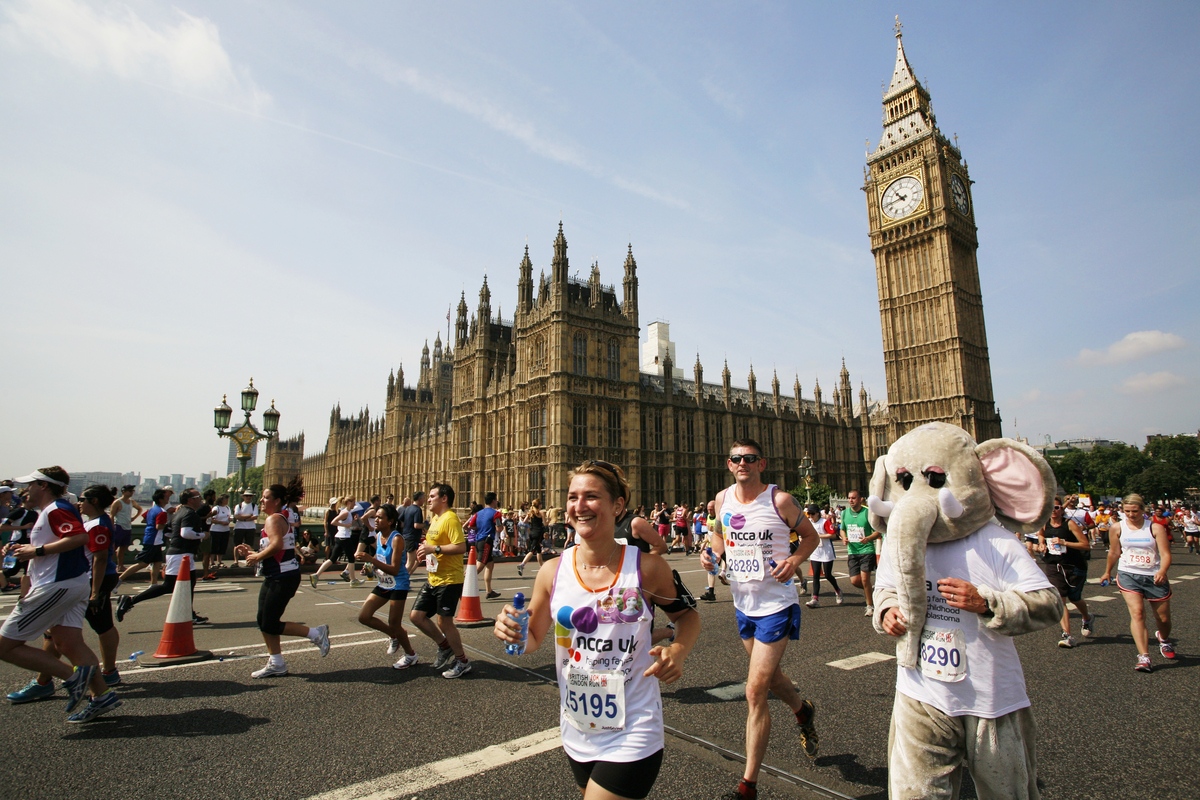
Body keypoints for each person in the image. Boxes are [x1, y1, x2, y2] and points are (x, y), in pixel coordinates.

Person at [494, 460, 699, 800]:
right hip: (577, 727)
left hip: (634, 728)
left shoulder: (647, 568)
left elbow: (687, 617)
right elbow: (531, 639)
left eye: (591, 496)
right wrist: (511, 630)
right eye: (573, 496)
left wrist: (678, 650)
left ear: (617, 505)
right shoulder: (551, 571)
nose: (579, 506)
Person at [875, 504, 1062, 799]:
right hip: (919, 693)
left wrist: (986, 603)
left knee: (1006, 792)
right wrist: (887, 610)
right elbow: (885, 588)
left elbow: (1049, 604)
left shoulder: (995, 540)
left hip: (990, 698)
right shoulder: (900, 538)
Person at [701, 440, 820, 800]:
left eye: (749, 459)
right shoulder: (723, 500)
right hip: (743, 603)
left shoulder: (780, 500)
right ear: (729, 464)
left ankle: (747, 786)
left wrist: (795, 561)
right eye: (737, 459)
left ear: (761, 464)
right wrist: (711, 555)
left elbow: (811, 537)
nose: (743, 464)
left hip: (777, 605)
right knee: (770, 680)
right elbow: (719, 536)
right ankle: (803, 710)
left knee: (754, 691)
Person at [0, 467, 118, 721]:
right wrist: (26, 548)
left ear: (43, 485)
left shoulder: (57, 509)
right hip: (71, 583)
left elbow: (77, 538)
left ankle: (72, 678)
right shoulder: (50, 511)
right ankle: (102, 695)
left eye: (30, 485)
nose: (24, 491)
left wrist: (36, 551)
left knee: (5, 646)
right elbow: (61, 543)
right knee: (68, 643)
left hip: (56, 585)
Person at [244, 480, 330, 678]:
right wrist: (252, 552)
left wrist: (257, 556)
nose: (262, 501)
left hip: (283, 577)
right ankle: (277, 663)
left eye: (266, 497)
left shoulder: (274, 519)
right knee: (263, 620)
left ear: (278, 500)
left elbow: (275, 545)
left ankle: (316, 634)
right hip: (278, 574)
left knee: (270, 623)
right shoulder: (282, 518)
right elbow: (279, 548)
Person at [1100, 494, 1175, 672]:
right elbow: (1114, 552)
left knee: (1163, 619)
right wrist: (1107, 572)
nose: (1131, 515)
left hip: (1153, 576)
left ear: (1142, 510)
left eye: (1135, 511)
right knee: (1137, 613)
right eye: (1127, 511)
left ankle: (1163, 639)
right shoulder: (1117, 528)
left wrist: (1162, 571)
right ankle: (1144, 656)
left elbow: (1165, 554)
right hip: (1128, 574)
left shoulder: (1155, 528)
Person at [116, 488, 209, 625]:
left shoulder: (178, 513)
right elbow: (185, 533)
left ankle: (189, 614)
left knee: (188, 584)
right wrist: (203, 535)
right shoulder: (190, 514)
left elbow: (168, 532)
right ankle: (130, 600)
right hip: (182, 555)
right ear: (191, 500)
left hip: (177, 553)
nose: (200, 500)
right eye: (198, 497)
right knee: (169, 586)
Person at [410, 484, 470, 678]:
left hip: (449, 579)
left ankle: (462, 661)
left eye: (432, 496)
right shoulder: (435, 519)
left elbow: (461, 547)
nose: (428, 499)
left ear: (444, 498)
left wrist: (434, 550)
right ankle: (445, 646)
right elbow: (433, 544)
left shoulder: (451, 519)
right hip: (434, 577)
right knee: (416, 617)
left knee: (444, 622)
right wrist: (425, 548)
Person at [356, 504, 418, 668]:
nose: (375, 520)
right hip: (384, 582)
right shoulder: (378, 536)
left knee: (394, 623)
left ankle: (410, 655)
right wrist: (370, 566)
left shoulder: (397, 539)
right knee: (364, 616)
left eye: (380, 517)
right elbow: (380, 557)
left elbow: (395, 569)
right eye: (375, 516)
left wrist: (371, 560)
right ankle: (393, 635)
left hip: (398, 584)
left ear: (390, 521)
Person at [1035, 497, 1095, 647]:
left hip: (1074, 565)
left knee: (1075, 598)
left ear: (1062, 509)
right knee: (1060, 599)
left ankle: (1087, 617)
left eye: (1056, 508)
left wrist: (1064, 542)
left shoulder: (1070, 524)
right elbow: (1041, 534)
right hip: (1053, 565)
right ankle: (1067, 635)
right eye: (1051, 508)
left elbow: (1085, 545)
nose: (1054, 511)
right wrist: (1041, 544)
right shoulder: (1044, 524)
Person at [120, 488, 170, 586]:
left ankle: (153, 584)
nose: (168, 498)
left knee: (157, 563)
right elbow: (159, 526)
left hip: (152, 538)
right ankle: (119, 579)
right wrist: (168, 525)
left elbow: (144, 520)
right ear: (161, 499)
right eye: (166, 497)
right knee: (143, 564)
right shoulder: (162, 512)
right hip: (154, 540)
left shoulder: (151, 509)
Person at [842, 490, 880, 616]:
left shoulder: (868, 513)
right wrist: (843, 538)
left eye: (853, 498)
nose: (851, 500)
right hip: (852, 551)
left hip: (867, 550)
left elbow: (877, 532)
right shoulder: (844, 513)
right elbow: (842, 529)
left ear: (860, 499)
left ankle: (869, 606)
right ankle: (872, 591)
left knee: (865, 579)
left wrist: (868, 538)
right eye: (849, 498)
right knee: (855, 581)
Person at [311, 496, 361, 586]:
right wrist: (345, 525)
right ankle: (353, 580)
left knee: (332, 559)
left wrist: (353, 522)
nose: (355, 504)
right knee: (351, 558)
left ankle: (316, 575)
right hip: (344, 537)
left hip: (340, 537)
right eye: (354, 502)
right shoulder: (345, 512)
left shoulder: (347, 512)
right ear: (349, 502)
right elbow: (333, 522)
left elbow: (346, 524)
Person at [805, 505, 842, 608]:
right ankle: (815, 598)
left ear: (817, 513)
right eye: (809, 514)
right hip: (815, 551)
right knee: (816, 574)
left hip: (826, 550)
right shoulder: (809, 522)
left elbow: (833, 534)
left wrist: (819, 536)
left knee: (827, 575)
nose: (811, 516)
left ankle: (838, 590)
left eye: (812, 514)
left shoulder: (824, 522)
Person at [473, 492, 502, 600]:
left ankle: (489, 591)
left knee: (490, 565)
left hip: (479, 540)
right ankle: (462, 584)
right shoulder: (496, 514)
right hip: (487, 541)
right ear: (494, 500)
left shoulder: (478, 513)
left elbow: (470, 526)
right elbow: (499, 528)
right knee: (479, 566)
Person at [109, 485, 142, 572]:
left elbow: (139, 509)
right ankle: (110, 565)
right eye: (129, 491)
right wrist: (112, 527)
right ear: (124, 491)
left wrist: (134, 518)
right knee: (114, 548)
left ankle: (120, 565)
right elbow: (111, 515)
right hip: (119, 526)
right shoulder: (117, 502)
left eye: (132, 491)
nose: (131, 493)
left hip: (128, 527)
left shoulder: (131, 502)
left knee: (123, 548)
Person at [517, 498, 546, 578]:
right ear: (539, 505)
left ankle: (541, 567)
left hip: (532, 532)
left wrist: (531, 522)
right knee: (532, 550)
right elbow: (545, 523)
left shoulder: (530, 513)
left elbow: (524, 521)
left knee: (538, 550)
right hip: (538, 533)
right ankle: (522, 565)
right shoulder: (541, 513)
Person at [399, 491, 426, 574]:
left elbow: (401, 522)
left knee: (419, 559)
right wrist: (425, 525)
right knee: (409, 563)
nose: (424, 500)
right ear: (420, 499)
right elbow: (417, 525)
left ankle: (408, 576)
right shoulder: (417, 510)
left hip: (406, 537)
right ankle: (401, 579)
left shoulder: (407, 508)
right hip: (412, 538)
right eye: (424, 498)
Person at [207, 494, 232, 572]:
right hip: (216, 530)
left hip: (225, 530)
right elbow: (211, 519)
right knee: (214, 546)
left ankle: (220, 561)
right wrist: (221, 522)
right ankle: (212, 562)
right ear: (221, 500)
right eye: (226, 499)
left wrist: (229, 519)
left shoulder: (227, 508)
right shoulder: (216, 508)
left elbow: (229, 516)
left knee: (222, 546)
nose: (227, 501)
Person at [232, 490, 259, 560]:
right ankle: (236, 561)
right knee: (237, 545)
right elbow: (237, 516)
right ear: (243, 497)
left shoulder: (254, 506)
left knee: (249, 545)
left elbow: (255, 516)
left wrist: (243, 518)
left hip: (250, 528)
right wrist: (249, 516)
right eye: (247, 496)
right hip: (239, 527)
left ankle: (248, 560)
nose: (248, 497)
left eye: (250, 496)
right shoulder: (239, 506)